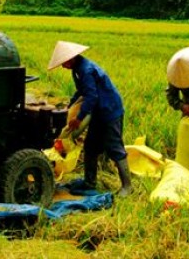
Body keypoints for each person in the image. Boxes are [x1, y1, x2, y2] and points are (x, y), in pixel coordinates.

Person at [48, 41, 132, 197]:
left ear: (71, 58)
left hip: (110, 111)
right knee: (91, 147)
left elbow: (91, 97)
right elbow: (81, 92)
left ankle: (127, 186)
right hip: (98, 112)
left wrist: (78, 119)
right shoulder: (77, 70)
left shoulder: (85, 70)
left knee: (114, 147)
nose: (63, 66)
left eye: (63, 62)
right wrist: (69, 106)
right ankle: (89, 182)